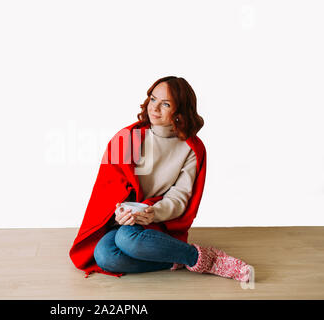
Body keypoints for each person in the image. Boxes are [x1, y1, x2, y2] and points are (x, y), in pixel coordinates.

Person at [92, 76, 254, 282]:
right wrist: (120, 212)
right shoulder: (128, 137)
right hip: (123, 220)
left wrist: (153, 213)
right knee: (105, 257)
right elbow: (108, 189)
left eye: (165, 104)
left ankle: (208, 260)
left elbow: (180, 197)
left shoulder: (191, 148)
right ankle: (178, 258)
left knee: (127, 239)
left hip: (159, 220)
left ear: (180, 111)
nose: (155, 108)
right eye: (153, 99)